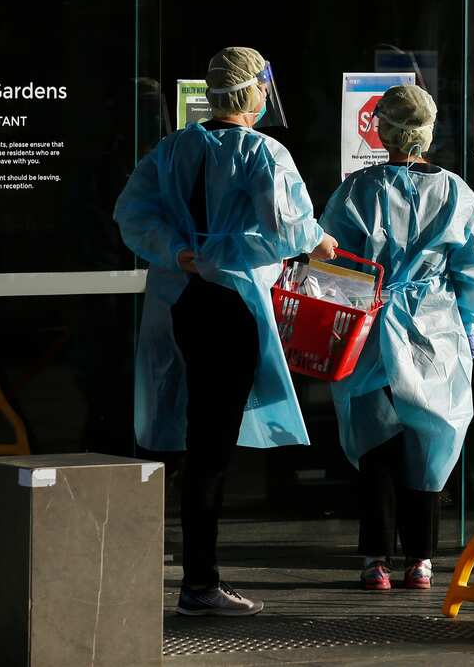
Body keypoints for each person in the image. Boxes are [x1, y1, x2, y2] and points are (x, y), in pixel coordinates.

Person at [114, 47, 337, 615]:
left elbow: (132, 215)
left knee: (188, 441)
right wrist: (317, 240)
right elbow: (284, 225)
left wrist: (181, 252)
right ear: (254, 93)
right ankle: (199, 583)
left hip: (180, 302)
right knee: (210, 449)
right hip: (230, 304)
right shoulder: (263, 152)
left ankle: (180, 572)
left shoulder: (173, 148)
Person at [318, 84, 474, 592]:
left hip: (368, 329)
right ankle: (421, 560)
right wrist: (469, 325)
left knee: (376, 445)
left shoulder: (356, 191)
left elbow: (330, 265)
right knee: (430, 443)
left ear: (381, 129)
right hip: (434, 330)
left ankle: (375, 559)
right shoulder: (456, 192)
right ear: (429, 130)